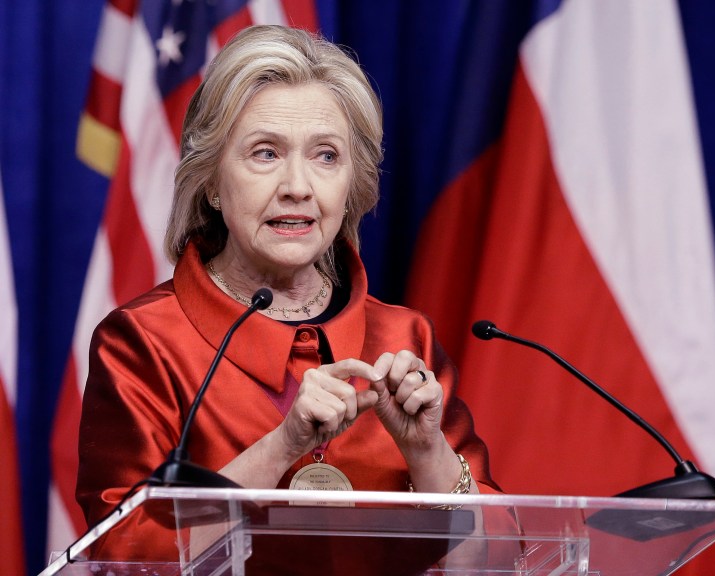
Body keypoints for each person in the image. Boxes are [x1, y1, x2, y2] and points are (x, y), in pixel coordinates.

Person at [76, 24, 502, 568]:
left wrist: (427, 453)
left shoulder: (405, 338)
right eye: (265, 153)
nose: (298, 185)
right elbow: (123, 558)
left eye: (326, 156)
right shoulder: (144, 342)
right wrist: (284, 445)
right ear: (209, 179)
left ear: (352, 181)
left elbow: (496, 559)